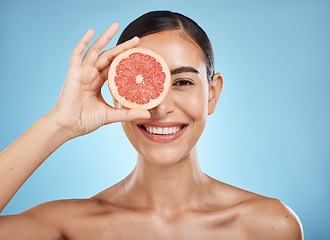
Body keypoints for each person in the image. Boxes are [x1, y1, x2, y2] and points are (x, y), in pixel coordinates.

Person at [0, 11, 303, 239]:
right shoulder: (68, 227)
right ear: (118, 93)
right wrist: (59, 124)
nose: (161, 106)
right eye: (143, 84)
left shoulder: (270, 225)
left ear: (212, 94)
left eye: (183, 82)